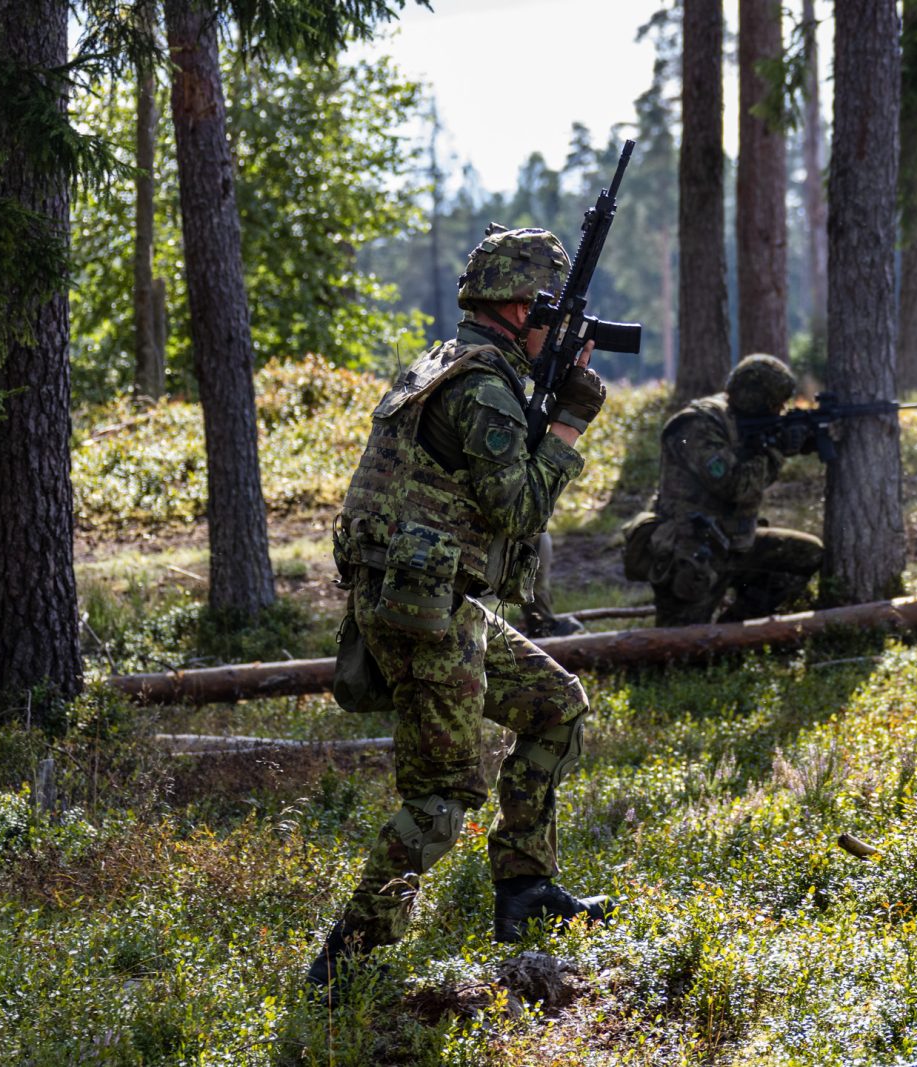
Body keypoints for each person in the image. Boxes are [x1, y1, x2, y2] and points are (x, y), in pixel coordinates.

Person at [309, 225, 614, 997]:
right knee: (442, 797)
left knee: (555, 706)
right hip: (429, 612)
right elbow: (517, 509)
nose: (564, 335)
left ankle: (524, 888)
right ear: (519, 309)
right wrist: (571, 423)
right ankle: (345, 968)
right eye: (555, 318)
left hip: (440, 600)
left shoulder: (454, 363)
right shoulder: (483, 387)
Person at [623, 353, 823, 627]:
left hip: (736, 542)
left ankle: (735, 631)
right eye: (774, 404)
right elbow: (735, 486)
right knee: (681, 652)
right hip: (692, 552)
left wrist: (804, 436)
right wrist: (778, 450)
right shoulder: (696, 425)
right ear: (754, 398)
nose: (779, 410)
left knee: (807, 554)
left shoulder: (745, 420)